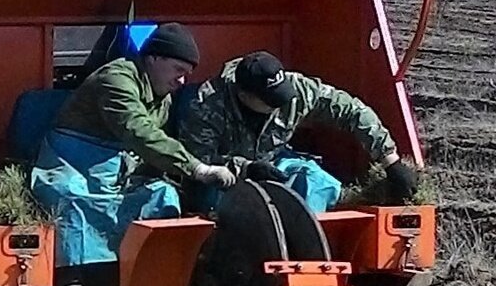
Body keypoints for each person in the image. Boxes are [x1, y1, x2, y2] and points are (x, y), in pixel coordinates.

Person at [30, 23, 238, 286]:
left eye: (186, 73)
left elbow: (150, 146)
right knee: (71, 197)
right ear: (153, 58)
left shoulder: (162, 96)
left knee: (161, 195)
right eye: (178, 69)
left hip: (121, 167)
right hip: (72, 160)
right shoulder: (116, 79)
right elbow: (137, 130)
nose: (182, 81)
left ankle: (140, 281)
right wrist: (196, 168)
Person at [177, 51, 418, 213]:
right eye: (271, 100)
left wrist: (390, 161)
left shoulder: (297, 88)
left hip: (274, 162)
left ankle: (304, 251)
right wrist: (245, 168)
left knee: (321, 183)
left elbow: (352, 111)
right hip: (225, 177)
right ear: (244, 96)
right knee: (224, 204)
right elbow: (197, 162)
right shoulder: (207, 103)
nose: (281, 103)